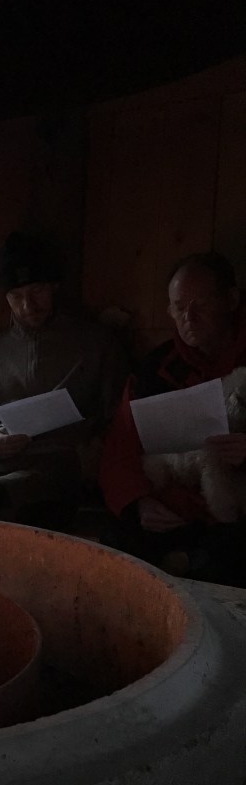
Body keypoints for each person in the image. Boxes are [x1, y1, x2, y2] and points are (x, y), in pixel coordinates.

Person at [0, 231, 128, 528]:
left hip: (54, 471)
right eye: (16, 295)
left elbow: (119, 418)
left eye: (37, 291)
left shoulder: (94, 346)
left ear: (54, 286)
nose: (28, 305)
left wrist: (90, 455)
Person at [100, 251, 246, 585]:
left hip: (233, 514)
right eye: (179, 308)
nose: (189, 318)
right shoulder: (155, 369)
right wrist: (138, 501)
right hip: (173, 509)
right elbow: (120, 449)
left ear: (231, 300)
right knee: (115, 544)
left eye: (201, 305)